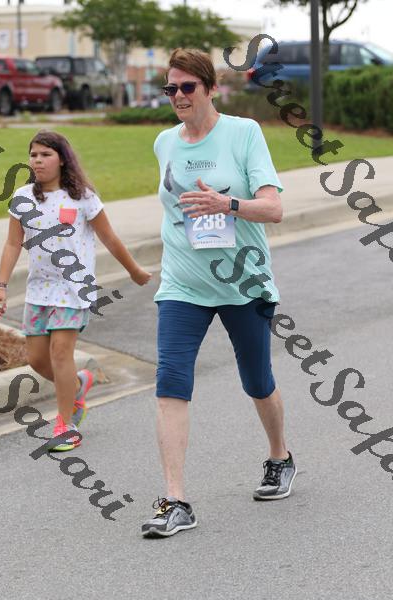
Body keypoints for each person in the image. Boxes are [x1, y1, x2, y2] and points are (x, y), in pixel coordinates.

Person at [141, 48, 296, 538]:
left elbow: (273, 210)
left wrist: (226, 204)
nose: (178, 96)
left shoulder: (244, 133)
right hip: (182, 283)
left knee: (257, 379)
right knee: (170, 380)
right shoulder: (164, 142)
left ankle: (279, 456)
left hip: (242, 282)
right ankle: (175, 500)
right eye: (171, 88)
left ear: (210, 89)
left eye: (187, 87)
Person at [0, 130, 151, 451]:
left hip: (74, 288)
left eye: (45, 155)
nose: (37, 161)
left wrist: (134, 270)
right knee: (38, 360)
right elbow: (12, 243)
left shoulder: (83, 197)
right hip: (39, 290)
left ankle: (65, 425)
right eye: (33, 155)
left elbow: (109, 238)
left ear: (62, 159)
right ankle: (78, 383)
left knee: (61, 354)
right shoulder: (23, 197)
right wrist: (1, 285)